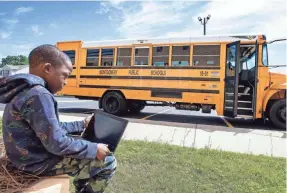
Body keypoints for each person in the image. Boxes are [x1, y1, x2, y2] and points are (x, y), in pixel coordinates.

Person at [0, 44, 117, 193]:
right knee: (108, 162)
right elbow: (57, 144)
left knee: (82, 147)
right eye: (65, 75)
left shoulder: (25, 89)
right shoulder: (39, 94)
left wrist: (81, 124)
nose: (66, 82)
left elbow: (51, 128)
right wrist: (94, 149)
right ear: (47, 68)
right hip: (37, 163)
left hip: (24, 159)